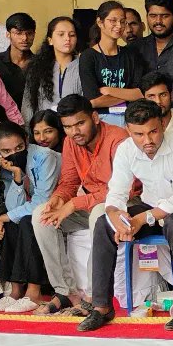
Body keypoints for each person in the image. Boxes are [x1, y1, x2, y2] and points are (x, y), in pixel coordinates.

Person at [78, 99, 173, 332]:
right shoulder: (126, 149)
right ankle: (102, 307)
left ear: (162, 124)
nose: (147, 140)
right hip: (154, 209)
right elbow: (117, 193)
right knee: (103, 223)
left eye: (152, 131)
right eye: (139, 134)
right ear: (129, 131)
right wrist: (116, 216)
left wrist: (143, 218)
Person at [32, 94, 128, 315]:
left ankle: (94, 296)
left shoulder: (118, 139)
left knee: (98, 214)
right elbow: (69, 182)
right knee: (41, 216)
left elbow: (124, 189)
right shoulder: (70, 142)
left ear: (94, 117)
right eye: (67, 127)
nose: (74, 132)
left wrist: (73, 203)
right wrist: (58, 199)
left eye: (80, 123)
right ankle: (66, 292)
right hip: (90, 202)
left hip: (124, 204)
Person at [0, 121, 59, 314]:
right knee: (12, 223)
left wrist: (3, 217)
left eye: (19, 147)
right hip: (35, 210)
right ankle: (15, 290)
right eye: (6, 150)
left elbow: (42, 201)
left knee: (28, 220)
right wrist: (17, 176)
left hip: (56, 208)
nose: (14, 153)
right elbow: (15, 207)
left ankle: (34, 291)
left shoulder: (44, 157)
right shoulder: (6, 165)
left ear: (27, 140)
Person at [80, 1, 143, 127]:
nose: (119, 26)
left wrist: (108, 90)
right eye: (113, 21)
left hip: (131, 119)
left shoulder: (131, 54)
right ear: (100, 22)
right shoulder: (88, 56)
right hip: (101, 121)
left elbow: (140, 93)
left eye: (122, 21)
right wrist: (128, 95)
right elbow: (93, 101)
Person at [21, 17, 82, 121]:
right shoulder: (37, 67)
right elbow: (28, 105)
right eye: (61, 34)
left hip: (75, 127)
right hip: (45, 129)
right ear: (50, 40)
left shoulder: (85, 64)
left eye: (72, 35)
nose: (67, 38)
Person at [0, 13, 35, 107]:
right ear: (8, 34)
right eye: (18, 33)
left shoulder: (41, 64)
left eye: (29, 33)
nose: (24, 38)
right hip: (2, 119)